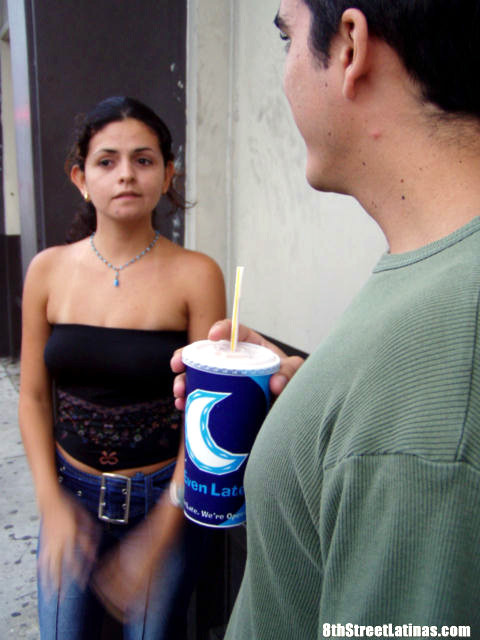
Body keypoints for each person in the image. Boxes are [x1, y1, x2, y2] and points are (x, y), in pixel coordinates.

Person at [172, 0, 480, 637]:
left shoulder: (440, 364)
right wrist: (312, 404)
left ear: (348, 46)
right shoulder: (434, 278)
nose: (284, 71)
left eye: (286, 36)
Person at [18, 95, 226, 639]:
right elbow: (35, 397)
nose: (126, 175)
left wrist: (162, 528)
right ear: (80, 177)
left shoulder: (197, 276)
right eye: (106, 161)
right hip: (71, 496)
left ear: (167, 173)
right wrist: (51, 504)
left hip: (165, 500)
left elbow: (207, 416)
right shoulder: (47, 271)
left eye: (144, 159)